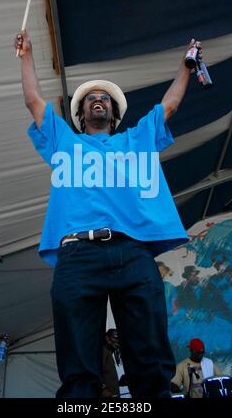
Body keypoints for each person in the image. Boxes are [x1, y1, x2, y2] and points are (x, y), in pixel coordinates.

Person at [15, 29, 202, 398]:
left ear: (113, 114)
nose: (97, 101)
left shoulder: (136, 140)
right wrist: (26, 56)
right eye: (90, 100)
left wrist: (185, 67)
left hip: (132, 252)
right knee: (79, 374)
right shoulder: (64, 141)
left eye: (104, 99)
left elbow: (170, 105)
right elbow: (34, 100)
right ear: (81, 115)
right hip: (77, 255)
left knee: (150, 367)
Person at [102, 329, 121, 398]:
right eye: (115, 337)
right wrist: (103, 389)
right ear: (107, 338)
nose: (117, 340)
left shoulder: (108, 352)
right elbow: (96, 373)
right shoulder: (103, 351)